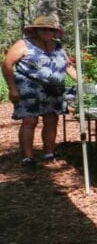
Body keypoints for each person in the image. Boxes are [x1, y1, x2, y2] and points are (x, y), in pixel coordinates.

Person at [2, 13, 77, 168]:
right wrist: (12, 88)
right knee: (30, 121)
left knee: (51, 120)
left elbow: (68, 66)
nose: (46, 32)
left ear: (55, 32)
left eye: (50, 29)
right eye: (42, 29)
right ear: (35, 30)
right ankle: (27, 158)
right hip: (28, 87)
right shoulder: (24, 44)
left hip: (53, 90)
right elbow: (7, 64)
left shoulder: (58, 46)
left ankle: (49, 153)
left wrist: (82, 81)